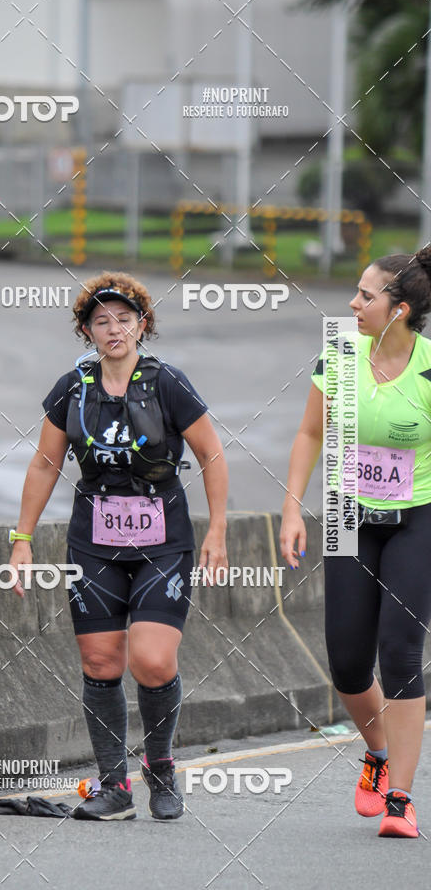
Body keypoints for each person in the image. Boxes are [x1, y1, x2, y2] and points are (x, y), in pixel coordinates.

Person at [9, 271, 228, 821]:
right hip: (94, 544)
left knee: (152, 660)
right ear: (86, 330)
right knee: (101, 660)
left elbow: (211, 454)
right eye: (101, 321)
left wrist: (218, 530)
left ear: (142, 325)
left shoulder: (168, 383)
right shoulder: (72, 387)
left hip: (163, 543)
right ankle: (114, 786)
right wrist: (22, 540)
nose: (114, 329)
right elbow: (45, 463)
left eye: (124, 319)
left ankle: (161, 768)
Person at [280, 248, 431, 839]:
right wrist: (292, 508)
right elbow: (309, 433)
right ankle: (379, 751)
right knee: (347, 662)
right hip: (348, 515)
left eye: (367, 296)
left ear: (400, 310)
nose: (353, 303)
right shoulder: (340, 353)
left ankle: (401, 799)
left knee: (400, 652)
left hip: (416, 518)